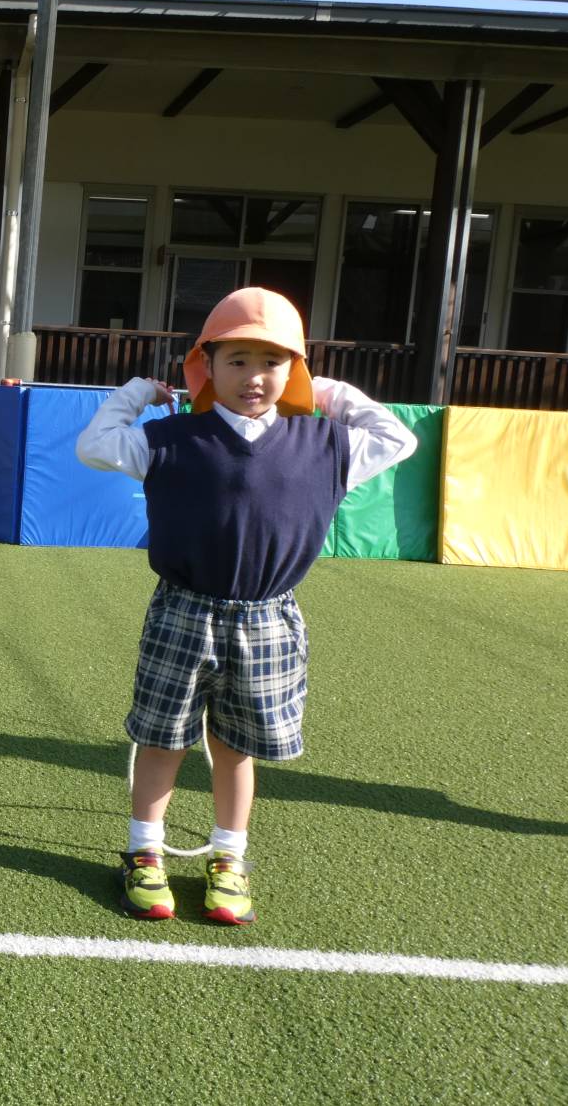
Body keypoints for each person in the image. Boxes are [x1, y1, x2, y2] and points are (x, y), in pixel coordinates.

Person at [75, 287, 416, 924]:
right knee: (162, 739)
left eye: (272, 361)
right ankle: (144, 853)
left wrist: (327, 393)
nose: (254, 376)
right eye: (236, 360)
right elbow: (94, 445)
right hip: (182, 611)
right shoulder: (170, 439)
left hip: (269, 618)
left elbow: (399, 439)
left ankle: (229, 859)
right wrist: (139, 393)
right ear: (206, 366)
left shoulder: (326, 445)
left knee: (235, 747)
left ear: (295, 371)